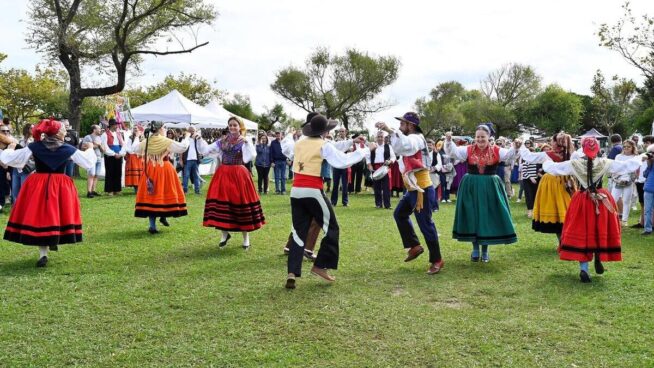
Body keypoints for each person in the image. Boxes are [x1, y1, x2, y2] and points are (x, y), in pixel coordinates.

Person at [281, 114, 369, 288]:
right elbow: (343, 161)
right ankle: (321, 265)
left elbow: (286, 147)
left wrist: (287, 133)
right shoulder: (324, 145)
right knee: (332, 228)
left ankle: (292, 272)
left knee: (299, 230)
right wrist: (364, 150)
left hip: (296, 191)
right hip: (313, 189)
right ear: (325, 131)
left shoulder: (299, 143)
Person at [542, 137, 644, 282]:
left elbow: (553, 169)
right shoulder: (605, 162)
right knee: (599, 229)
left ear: (583, 148)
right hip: (601, 199)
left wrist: (546, 160)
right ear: (597, 149)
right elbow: (627, 166)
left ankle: (584, 269)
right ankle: (598, 257)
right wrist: (642, 156)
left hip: (582, 200)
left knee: (582, 231)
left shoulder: (575, 163)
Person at [0, 118, 96, 267]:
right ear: (57, 133)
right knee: (55, 214)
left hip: (39, 184)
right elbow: (87, 162)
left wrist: (10, 148)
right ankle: (52, 241)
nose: (65, 130)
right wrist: (90, 148)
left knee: (41, 217)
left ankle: (43, 253)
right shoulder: (67, 148)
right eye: (62, 128)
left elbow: (12, 160)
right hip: (60, 185)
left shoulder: (35, 147)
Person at [376, 112, 444, 275]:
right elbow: (400, 150)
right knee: (400, 214)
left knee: (426, 225)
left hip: (422, 190)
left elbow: (406, 146)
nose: (400, 126)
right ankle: (414, 246)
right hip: (412, 188)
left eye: (402, 124)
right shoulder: (409, 139)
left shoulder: (417, 139)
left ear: (410, 126)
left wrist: (391, 131)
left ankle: (437, 260)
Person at [444, 124, 521, 263]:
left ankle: (485, 250)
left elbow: (510, 157)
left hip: (490, 185)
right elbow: (452, 153)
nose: (480, 139)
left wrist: (515, 147)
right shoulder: (467, 150)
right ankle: (475, 249)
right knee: (472, 216)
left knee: (487, 217)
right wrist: (449, 141)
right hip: (471, 186)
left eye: (483, 137)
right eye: (477, 137)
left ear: (489, 137)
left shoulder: (497, 150)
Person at [201, 117, 264, 249]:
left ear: (240, 126)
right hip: (223, 173)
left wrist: (247, 143)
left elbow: (249, 157)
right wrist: (198, 138)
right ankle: (224, 234)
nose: (232, 127)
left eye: (235, 125)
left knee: (241, 204)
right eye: (230, 125)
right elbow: (205, 150)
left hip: (238, 174)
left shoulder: (244, 140)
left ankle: (246, 238)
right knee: (222, 204)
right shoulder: (222, 140)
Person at [130, 121, 189, 234]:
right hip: (164, 169)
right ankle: (163, 217)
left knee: (152, 195)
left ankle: (153, 225)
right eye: (164, 128)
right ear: (160, 129)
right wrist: (187, 137)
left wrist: (137, 137)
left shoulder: (146, 141)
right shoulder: (165, 141)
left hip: (150, 169)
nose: (165, 130)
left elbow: (134, 148)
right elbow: (183, 147)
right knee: (164, 193)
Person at [519, 132, 577, 246]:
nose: (551, 143)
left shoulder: (551, 155)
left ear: (557, 142)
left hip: (555, 184)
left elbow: (529, 157)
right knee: (563, 211)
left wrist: (521, 145)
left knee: (561, 212)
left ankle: (564, 240)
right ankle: (563, 241)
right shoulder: (571, 154)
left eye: (552, 140)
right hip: (564, 182)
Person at [610, 140, 638, 226]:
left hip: (629, 181)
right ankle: (611, 218)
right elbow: (615, 168)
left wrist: (631, 179)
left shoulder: (635, 157)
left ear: (632, 147)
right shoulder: (618, 156)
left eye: (628, 147)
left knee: (626, 200)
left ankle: (624, 220)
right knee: (613, 199)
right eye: (624, 146)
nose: (626, 148)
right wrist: (616, 178)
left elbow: (636, 170)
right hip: (618, 180)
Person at [367, 131, 396, 209]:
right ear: (376, 138)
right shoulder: (373, 146)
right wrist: (369, 165)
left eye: (381, 137)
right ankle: (378, 204)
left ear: (384, 138)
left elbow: (393, 157)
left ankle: (387, 205)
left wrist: (390, 161)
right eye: (378, 137)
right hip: (375, 168)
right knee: (377, 187)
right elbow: (367, 156)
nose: (380, 138)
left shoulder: (388, 146)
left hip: (385, 167)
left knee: (386, 187)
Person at [10, 124, 34, 203]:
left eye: (34, 128)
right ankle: (16, 209)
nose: (33, 129)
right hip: (16, 169)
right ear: (27, 129)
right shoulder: (19, 140)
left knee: (24, 191)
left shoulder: (34, 141)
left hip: (26, 168)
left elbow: (34, 156)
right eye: (31, 128)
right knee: (15, 191)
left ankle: (24, 209)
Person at [100, 118, 125, 195]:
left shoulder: (119, 134)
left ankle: (117, 189)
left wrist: (121, 153)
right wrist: (113, 154)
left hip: (118, 154)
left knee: (118, 172)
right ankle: (110, 189)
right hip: (110, 155)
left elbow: (123, 144)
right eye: (116, 125)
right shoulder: (105, 134)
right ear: (112, 125)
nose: (117, 126)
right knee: (110, 172)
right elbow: (105, 146)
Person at [80, 124, 103, 198]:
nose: (100, 130)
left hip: (99, 158)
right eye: (99, 129)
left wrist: (99, 146)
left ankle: (94, 190)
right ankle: (89, 192)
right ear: (94, 130)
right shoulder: (88, 137)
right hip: (91, 159)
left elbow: (102, 149)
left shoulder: (99, 138)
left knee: (96, 175)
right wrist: (95, 145)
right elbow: (83, 147)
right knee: (91, 174)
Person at [181, 126, 205, 195]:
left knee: (196, 176)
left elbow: (202, 147)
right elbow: (181, 150)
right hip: (187, 160)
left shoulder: (198, 139)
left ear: (195, 131)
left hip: (195, 160)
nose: (192, 132)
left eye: (193, 131)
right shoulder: (185, 139)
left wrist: (199, 138)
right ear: (187, 132)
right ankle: (185, 191)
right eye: (190, 131)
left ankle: (197, 191)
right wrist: (181, 160)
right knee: (186, 176)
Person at [331, 127, 351, 206]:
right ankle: (333, 202)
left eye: (343, 131)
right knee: (335, 184)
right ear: (338, 132)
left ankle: (345, 202)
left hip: (345, 164)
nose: (341, 133)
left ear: (346, 132)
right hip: (337, 164)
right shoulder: (335, 141)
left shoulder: (348, 141)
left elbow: (351, 150)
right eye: (340, 131)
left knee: (345, 184)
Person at [124, 125, 144, 192]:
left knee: (141, 173)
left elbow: (143, 147)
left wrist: (141, 153)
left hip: (140, 157)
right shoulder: (131, 137)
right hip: (133, 157)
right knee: (135, 173)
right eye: (134, 128)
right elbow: (131, 148)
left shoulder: (142, 138)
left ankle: (140, 188)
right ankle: (136, 188)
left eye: (137, 129)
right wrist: (136, 138)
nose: (135, 130)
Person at [642, 145, 654, 235]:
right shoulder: (650, 163)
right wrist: (649, 164)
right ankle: (648, 229)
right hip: (649, 188)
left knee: (648, 209)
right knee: (647, 210)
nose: (651, 155)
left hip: (649, 188)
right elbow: (645, 174)